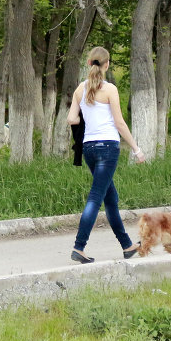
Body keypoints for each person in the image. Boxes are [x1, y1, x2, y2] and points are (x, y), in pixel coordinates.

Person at [65, 46, 146, 264]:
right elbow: (119, 123)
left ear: (89, 63)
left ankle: (127, 245)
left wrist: (87, 115)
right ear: (107, 64)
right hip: (108, 148)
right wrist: (137, 149)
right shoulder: (110, 89)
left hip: (89, 149)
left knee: (110, 198)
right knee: (95, 197)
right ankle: (79, 247)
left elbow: (71, 119)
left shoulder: (79, 90)